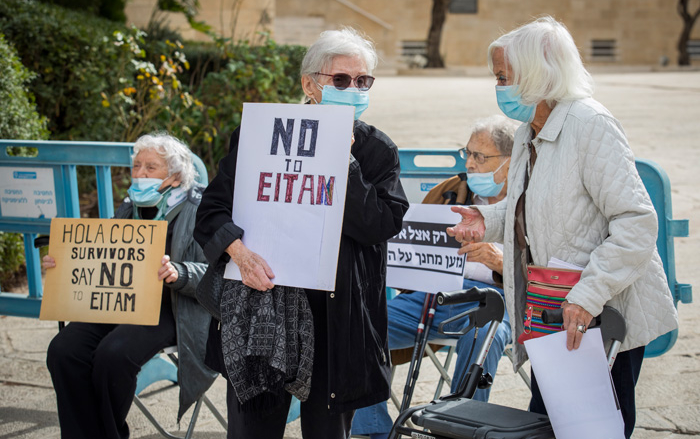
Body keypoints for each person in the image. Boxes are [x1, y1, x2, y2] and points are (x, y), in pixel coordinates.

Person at [447, 16, 679, 439]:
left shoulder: (590, 124)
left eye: (503, 77)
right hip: (554, 310)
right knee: (550, 424)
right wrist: (487, 220)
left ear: (537, 74)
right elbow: (531, 210)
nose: (498, 88)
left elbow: (636, 222)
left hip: (601, 313)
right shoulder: (525, 133)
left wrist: (587, 295)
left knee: (593, 430)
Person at [193, 27, 409, 439]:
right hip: (264, 309)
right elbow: (213, 209)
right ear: (310, 85)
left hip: (336, 319)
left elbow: (381, 224)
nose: (354, 88)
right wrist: (240, 254)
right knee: (253, 429)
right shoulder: (260, 134)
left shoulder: (377, 150)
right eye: (341, 80)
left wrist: (342, 161)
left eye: (362, 81)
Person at [351, 115, 516, 439]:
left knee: (482, 338)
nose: (469, 163)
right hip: (434, 293)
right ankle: (375, 432)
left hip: (495, 302)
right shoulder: (450, 191)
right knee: (359, 325)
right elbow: (408, 243)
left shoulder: (529, 203)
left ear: (510, 163)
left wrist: (500, 262)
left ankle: (459, 429)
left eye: (479, 156)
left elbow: (541, 267)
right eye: (466, 153)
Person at [45, 132, 217, 439]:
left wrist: (180, 272)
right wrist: (65, 262)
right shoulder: (129, 206)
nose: (139, 174)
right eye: (137, 166)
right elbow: (103, 257)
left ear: (175, 176)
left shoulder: (201, 208)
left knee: (114, 355)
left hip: (175, 307)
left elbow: (219, 274)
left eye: (151, 168)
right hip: (119, 299)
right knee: (63, 349)